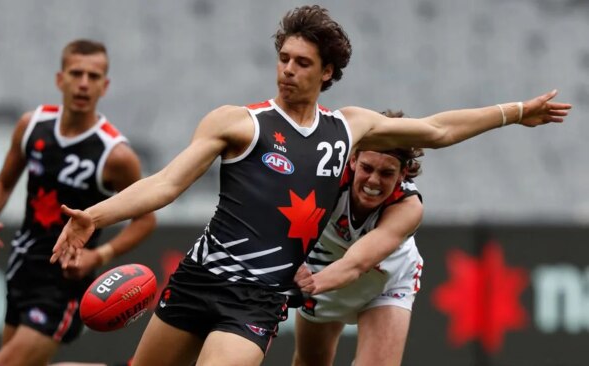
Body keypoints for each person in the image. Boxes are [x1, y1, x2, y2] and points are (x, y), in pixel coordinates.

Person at [51, 5, 571, 366]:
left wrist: (516, 112)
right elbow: (165, 184)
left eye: (303, 63)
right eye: (283, 59)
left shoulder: (349, 127)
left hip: (256, 302)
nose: (288, 71)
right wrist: (95, 216)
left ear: (327, 73)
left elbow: (436, 130)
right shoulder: (238, 122)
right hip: (196, 280)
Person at [0, 39, 156, 366]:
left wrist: (98, 255)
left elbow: (146, 219)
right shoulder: (31, 126)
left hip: (65, 280)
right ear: (61, 79)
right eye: (76, 73)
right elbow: (3, 182)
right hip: (23, 266)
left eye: (94, 76)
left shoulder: (115, 154)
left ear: (105, 85)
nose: (84, 83)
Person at [292, 110, 424, 366]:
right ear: (352, 159)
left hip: (386, 281)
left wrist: (299, 288)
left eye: (387, 173)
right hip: (324, 267)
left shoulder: (408, 207)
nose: (373, 181)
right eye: (367, 168)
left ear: (402, 174)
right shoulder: (325, 181)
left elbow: (357, 264)